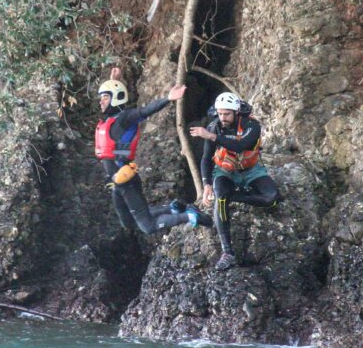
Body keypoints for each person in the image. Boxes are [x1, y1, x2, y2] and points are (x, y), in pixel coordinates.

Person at [96, 68, 212, 234]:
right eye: (101, 98)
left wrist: (168, 99)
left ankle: (190, 216)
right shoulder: (110, 120)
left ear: (115, 98)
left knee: (148, 226)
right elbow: (114, 102)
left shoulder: (126, 118)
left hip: (126, 180)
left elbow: (146, 110)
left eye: (105, 98)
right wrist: (113, 82)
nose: (101, 102)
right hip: (116, 183)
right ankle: (172, 209)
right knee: (128, 223)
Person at [189, 92, 281, 271]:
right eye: (220, 113)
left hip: (252, 170)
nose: (222, 118)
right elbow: (206, 158)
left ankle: (234, 197)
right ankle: (227, 252)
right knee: (221, 195)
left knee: (272, 198)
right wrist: (207, 184)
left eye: (227, 114)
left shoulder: (251, 125)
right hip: (226, 171)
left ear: (236, 112)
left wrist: (211, 137)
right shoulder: (214, 126)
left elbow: (242, 145)